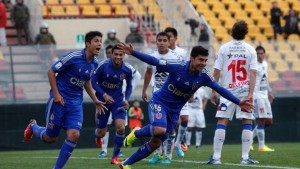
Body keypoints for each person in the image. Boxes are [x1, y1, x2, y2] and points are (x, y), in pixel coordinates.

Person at [117, 43, 254, 169]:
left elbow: (220, 89)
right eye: (201, 60)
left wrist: (238, 102)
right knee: (159, 130)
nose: (203, 63)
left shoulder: (204, 76)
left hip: (174, 111)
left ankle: (126, 164)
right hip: (160, 102)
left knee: (156, 143)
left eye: (206, 61)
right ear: (192, 58)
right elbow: (154, 61)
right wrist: (133, 52)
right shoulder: (177, 67)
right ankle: (137, 133)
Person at [23, 31, 106, 169]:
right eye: (96, 41)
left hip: (75, 104)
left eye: (100, 41)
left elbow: (86, 81)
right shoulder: (73, 57)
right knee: (50, 138)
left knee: (74, 134)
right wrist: (56, 94)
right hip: (59, 101)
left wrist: (95, 99)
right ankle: (33, 126)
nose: (100, 44)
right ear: (87, 44)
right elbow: (51, 72)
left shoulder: (94, 63)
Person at [207, 20, 258, 165]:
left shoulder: (224, 48)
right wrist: (251, 93)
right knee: (247, 121)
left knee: (222, 121)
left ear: (232, 31)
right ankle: (245, 158)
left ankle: (216, 157)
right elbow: (253, 73)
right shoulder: (250, 49)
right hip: (244, 91)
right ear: (246, 33)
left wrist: (213, 91)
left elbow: (216, 71)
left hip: (226, 92)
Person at [141, 31, 184, 164]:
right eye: (159, 40)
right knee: (157, 126)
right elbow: (148, 72)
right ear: (156, 41)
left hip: (172, 97)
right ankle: (158, 153)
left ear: (169, 41)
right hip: (157, 96)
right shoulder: (152, 56)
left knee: (170, 128)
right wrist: (144, 90)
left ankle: (168, 155)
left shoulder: (177, 57)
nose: (161, 43)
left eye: (164, 40)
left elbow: (182, 76)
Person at [92, 45, 135, 165]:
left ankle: (115, 157)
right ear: (111, 54)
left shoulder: (127, 69)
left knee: (121, 127)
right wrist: (104, 94)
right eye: (115, 54)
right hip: (102, 102)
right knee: (101, 132)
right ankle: (97, 135)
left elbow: (130, 85)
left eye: (120, 55)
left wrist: (126, 99)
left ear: (124, 55)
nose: (118, 57)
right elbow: (93, 82)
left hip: (117, 101)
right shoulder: (103, 65)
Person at [159, 27, 189, 164]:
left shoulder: (182, 53)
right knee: (170, 123)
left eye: (170, 37)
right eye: (166, 37)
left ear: (175, 38)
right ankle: (165, 149)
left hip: (182, 91)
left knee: (185, 119)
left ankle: (177, 143)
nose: (168, 40)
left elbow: (188, 70)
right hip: (168, 92)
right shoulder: (162, 54)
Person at [251, 45, 275, 152]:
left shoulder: (265, 64)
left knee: (269, 122)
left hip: (265, 95)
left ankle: (249, 138)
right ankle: (261, 146)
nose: (260, 55)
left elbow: (266, 79)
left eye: (261, 53)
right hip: (257, 96)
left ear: (264, 54)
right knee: (261, 120)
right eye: (258, 54)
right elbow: (251, 80)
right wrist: (251, 94)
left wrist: (269, 92)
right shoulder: (254, 66)